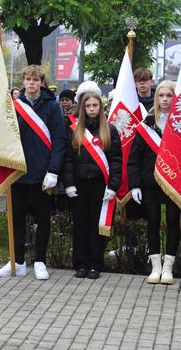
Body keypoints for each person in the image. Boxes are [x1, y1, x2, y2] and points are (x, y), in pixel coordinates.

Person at [0, 65, 66, 280]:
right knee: (16, 219)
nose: (31, 83)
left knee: (42, 219)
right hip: (18, 173)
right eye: (28, 79)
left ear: (42, 82)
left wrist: (53, 170)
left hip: (43, 173)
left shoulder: (52, 106)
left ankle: (40, 261)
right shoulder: (13, 106)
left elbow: (59, 140)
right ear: (23, 81)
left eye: (36, 79)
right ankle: (17, 260)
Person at [63, 81, 121, 279]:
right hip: (79, 186)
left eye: (95, 105)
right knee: (80, 225)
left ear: (101, 106)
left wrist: (113, 186)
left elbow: (116, 161)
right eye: (88, 106)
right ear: (82, 107)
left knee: (98, 227)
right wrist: (68, 184)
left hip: (100, 185)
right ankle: (81, 263)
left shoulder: (110, 130)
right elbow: (68, 159)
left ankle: (96, 263)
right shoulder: (74, 129)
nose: (92, 109)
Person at [128, 80, 180, 285]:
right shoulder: (146, 124)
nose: (165, 99)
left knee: (173, 223)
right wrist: (135, 185)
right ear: (156, 97)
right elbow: (134, 158)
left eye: (169, 95)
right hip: (150, 183)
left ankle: (168, 268)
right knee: (153, 224)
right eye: (162, 95)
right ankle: (156, 267)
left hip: (174, 183)